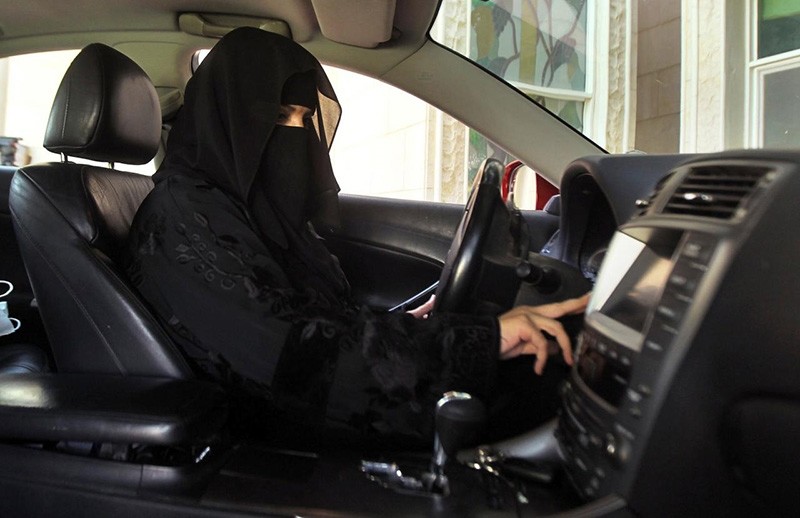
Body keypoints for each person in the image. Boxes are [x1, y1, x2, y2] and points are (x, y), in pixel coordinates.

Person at [126, 27, 588, 447]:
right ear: (226, 117)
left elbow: (312, 319)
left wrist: (415, 327)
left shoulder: (245, 209)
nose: (297, 136)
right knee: (539, 394)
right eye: (280, 116)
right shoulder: (181, 218)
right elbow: (292, 353)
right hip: (265, 446)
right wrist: (476, 342)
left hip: (301, 410)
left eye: (305, 118)